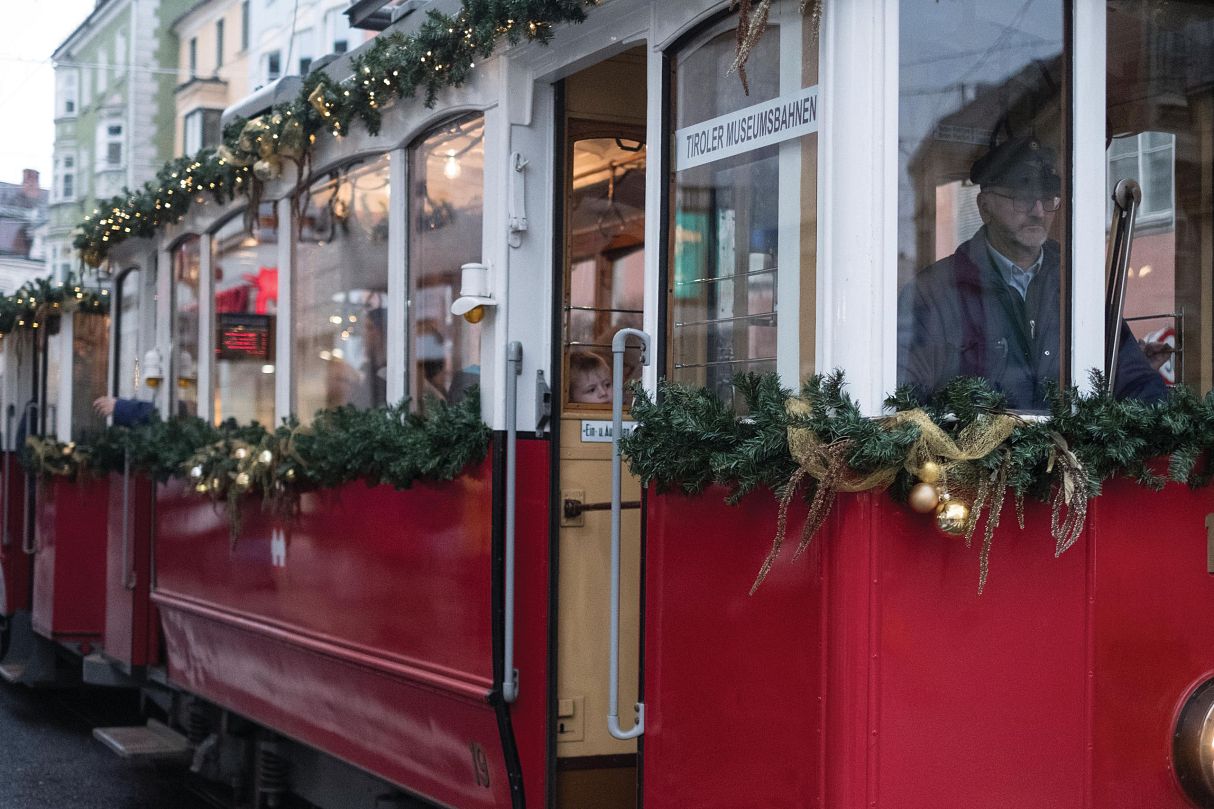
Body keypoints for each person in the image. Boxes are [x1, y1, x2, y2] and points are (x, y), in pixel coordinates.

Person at [897, 136, 1166, 409]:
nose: (1038, 211)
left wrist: (1159, 419)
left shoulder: (1075, 282)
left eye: (1048, 198)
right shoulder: (934, 292)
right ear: (984, 207)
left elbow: (1132, 379)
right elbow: (903, 401)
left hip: (1072, 451)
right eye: (1022, 198)